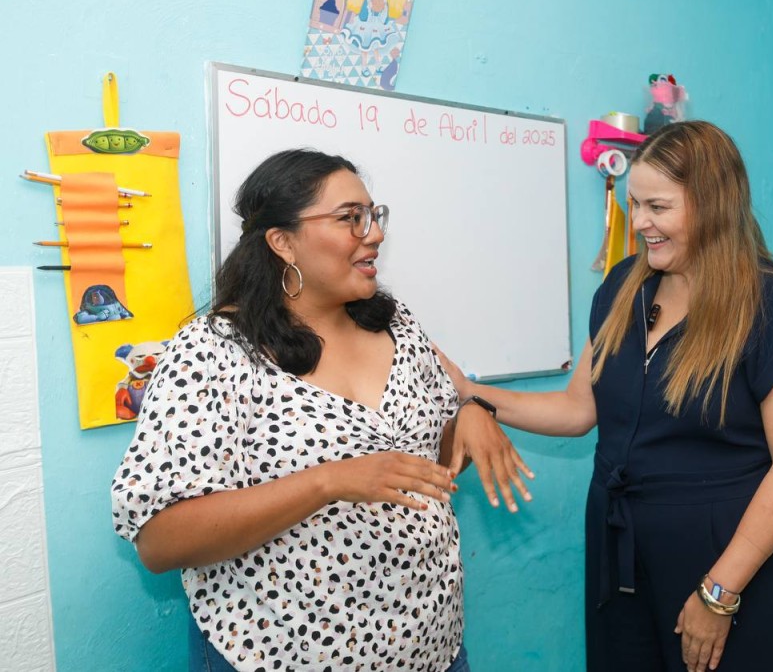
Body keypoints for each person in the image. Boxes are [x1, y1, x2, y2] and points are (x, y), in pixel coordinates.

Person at [111, 149, 531, 671]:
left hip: (430, 646)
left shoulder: (396, 324)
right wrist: (327, 481)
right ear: (283, 242)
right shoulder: (214, 351)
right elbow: (159, 540)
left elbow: (421, 468)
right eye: (351, 217)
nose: (375, 234)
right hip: (283, 654)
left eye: (374, 215)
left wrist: (469, 415)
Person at [438, 121, 773, 672]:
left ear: (713, 206)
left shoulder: (768, 301)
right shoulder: (624, 287)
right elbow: (579, 409)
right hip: (619, 550)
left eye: (658, 207)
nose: (641, 222)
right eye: (635, 204)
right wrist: (470, 393)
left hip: (726, 556)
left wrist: (719, 593)